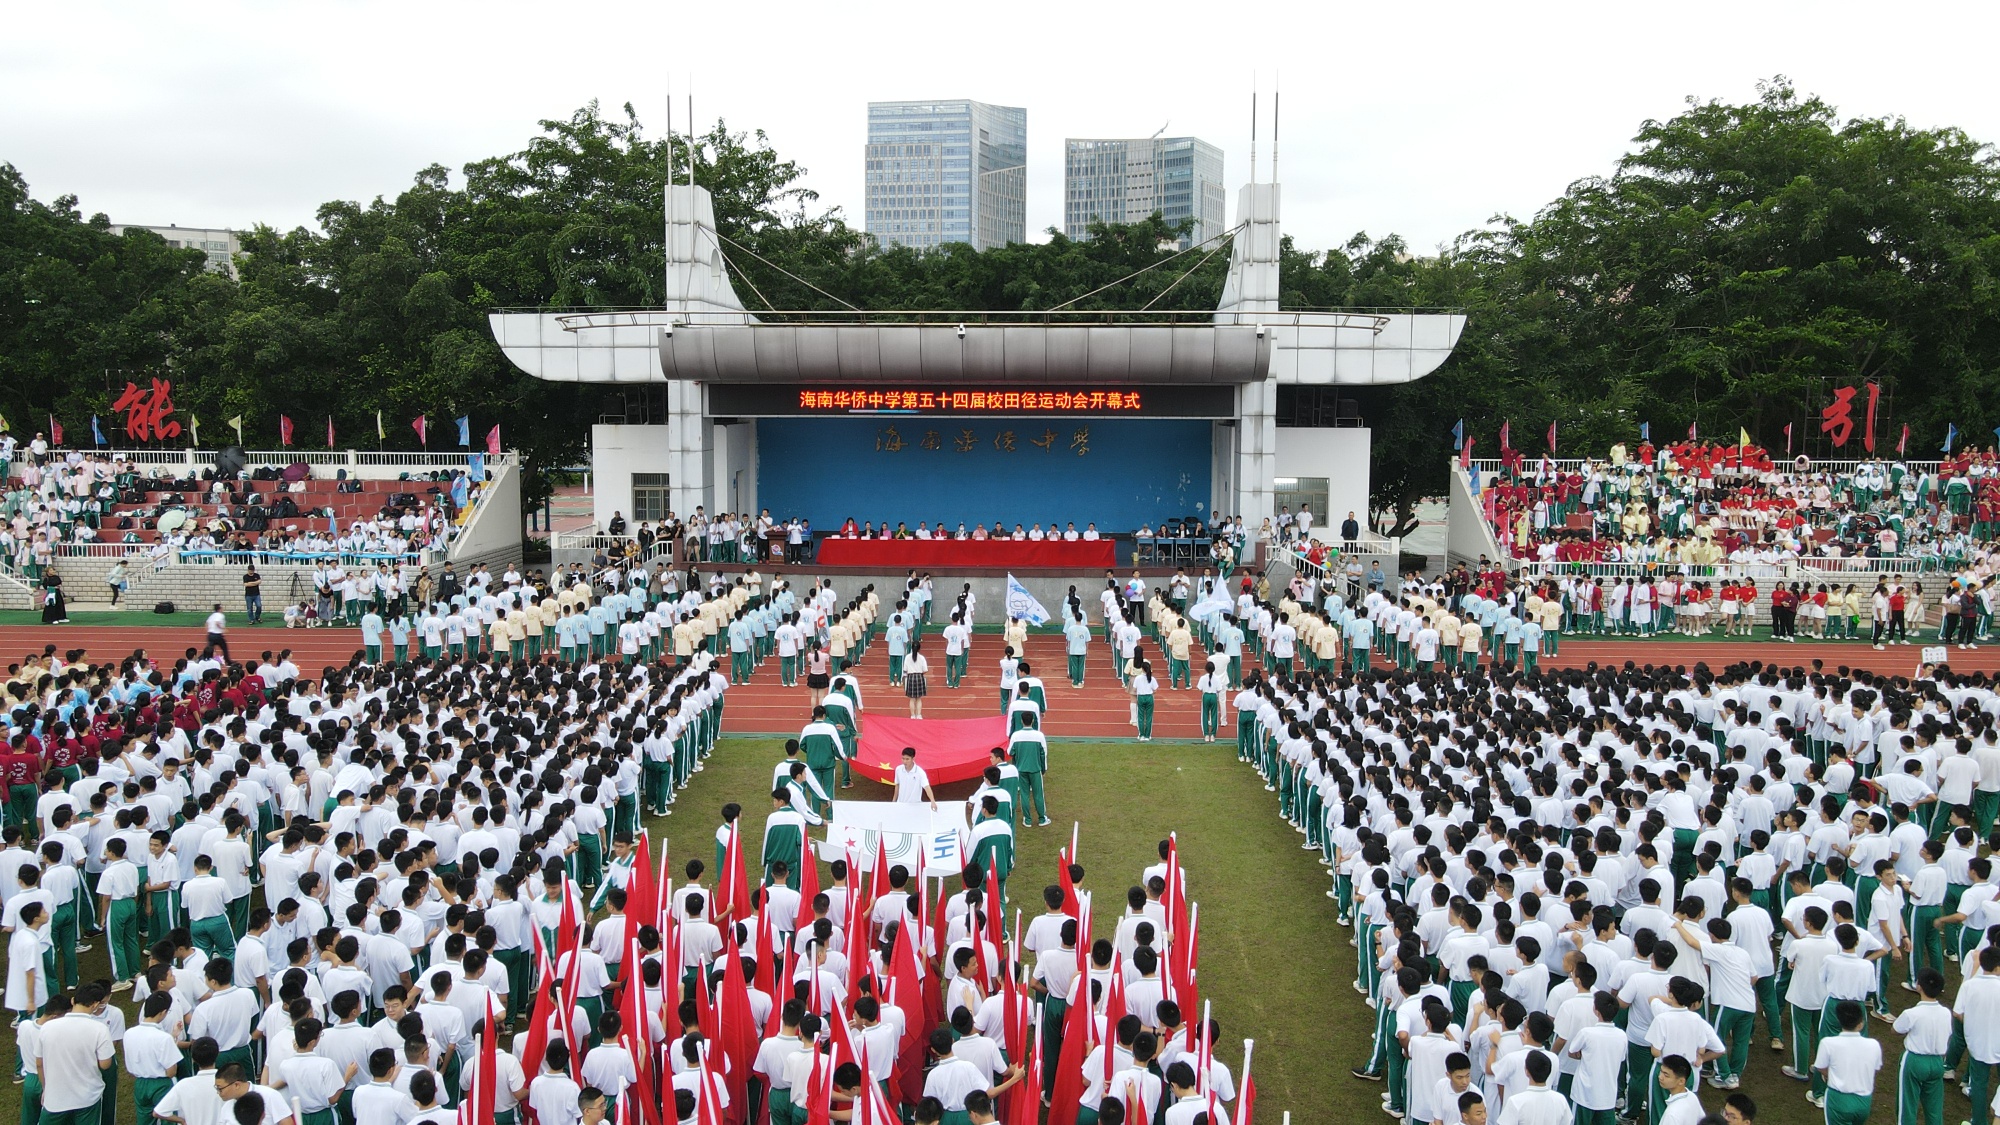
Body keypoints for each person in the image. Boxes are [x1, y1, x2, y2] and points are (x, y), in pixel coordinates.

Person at [904, 642, 930, 719]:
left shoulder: (907, 657)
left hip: (911, 677)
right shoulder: (922, 658)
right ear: (919, 648)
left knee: (912, 698)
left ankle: (912, 715)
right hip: (919, 677)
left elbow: (905, 669)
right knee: (919, 698)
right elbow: (925, 670)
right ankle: (919, 715)